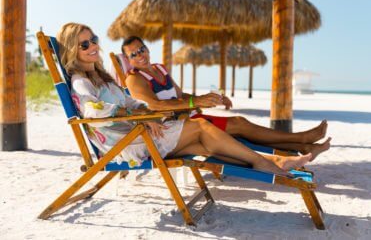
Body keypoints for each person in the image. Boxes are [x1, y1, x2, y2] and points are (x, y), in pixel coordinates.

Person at [57, 22, 313, 177]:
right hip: (127, 144)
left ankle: (274, 161)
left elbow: (130, 103)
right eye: (83, 44)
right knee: (202, 127)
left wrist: (147, 115)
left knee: (204, 146)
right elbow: (95, 112)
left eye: (93, 39)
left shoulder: (102, 77)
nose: (92, 46)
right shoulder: (82, 81)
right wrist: (143, 121)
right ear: (71, 51)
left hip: (139, 133)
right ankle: (264, 161)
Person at [120, 36, 331, 161]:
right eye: (133, 54)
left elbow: (181, 95)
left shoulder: (160, 68)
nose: (140, 55)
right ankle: (301, 141)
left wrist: (211, 98)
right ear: (128, 61)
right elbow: (155, 105)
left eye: (142, 49)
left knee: (240, 126)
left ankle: (303, 146)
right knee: (240, 125)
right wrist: (195, 102)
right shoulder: (134, 79)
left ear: (147, 48)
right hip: (177, 130)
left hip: (189, 119)